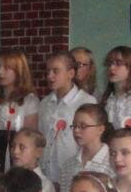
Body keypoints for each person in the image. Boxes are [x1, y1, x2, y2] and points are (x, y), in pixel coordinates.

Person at [39, 51, 97, 182]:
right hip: (46, 175)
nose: (50, 76)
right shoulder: (44, 103)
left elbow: (90, 143)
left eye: (55, 71)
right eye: (48, 71)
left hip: (73, 175)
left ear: (70, 73)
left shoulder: (87, 102)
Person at [0, 48, 39, 169]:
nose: (0, 72)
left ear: (19, 71)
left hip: (18, 160)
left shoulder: (29, 101)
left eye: (6, 68)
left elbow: (30, 136)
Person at [57, 104, 113, 192]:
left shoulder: (112, 163)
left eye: (83, 126)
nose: (76, 131)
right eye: (74, 126)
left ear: (100, 129)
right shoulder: (69, 165)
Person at [10, 128, 56, 192]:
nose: (15, 151)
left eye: (22, 147)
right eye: (13, 146)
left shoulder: (44, 185)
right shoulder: (8, 179)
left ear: (38, 152)